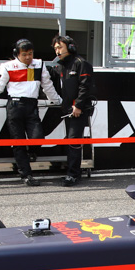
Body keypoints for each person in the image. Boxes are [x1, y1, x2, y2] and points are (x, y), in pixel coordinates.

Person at [0, 39, 62, 186]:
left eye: (30, 53)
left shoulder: (39, 64)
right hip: (14, 107)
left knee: (38, 138)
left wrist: (58, 101)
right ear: (16, 54)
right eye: (24, 54)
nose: (28, 57)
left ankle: (30, 153)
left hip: (32, 106)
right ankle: (26, 175)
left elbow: (47, 86)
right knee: (18, 143)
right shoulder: (7, 66)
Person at [49, 35, 95, 187]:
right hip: (68, 108)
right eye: (55, 48)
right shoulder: (61, 65)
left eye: (60, 47)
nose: (57, 51)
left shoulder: (81, 63)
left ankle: (73, 175)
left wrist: (79, 106)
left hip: (79, 109)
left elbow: (85, 86)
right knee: (70, 140)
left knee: (74, 140)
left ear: (70, 47)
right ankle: (72, 171)